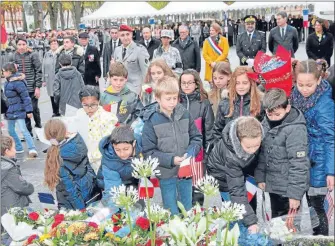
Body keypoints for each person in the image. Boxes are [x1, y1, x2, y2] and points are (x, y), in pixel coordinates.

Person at [142, 76, 202, 215]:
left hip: (185, 172)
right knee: (171, 210)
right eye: (168, 99)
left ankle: (187, 233)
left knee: (186, 208)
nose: (172, 102)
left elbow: (196, 137)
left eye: (175, 98)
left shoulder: (184, 114)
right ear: (157, 98)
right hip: (166, 173)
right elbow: (148, 152)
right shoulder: (152, 120)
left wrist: (191, 152)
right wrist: (171, 160)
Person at [291, 60, 334, 236]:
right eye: (300, 84)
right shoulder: (294, 96)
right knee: (295, 206)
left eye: (309, 85)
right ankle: (296, 238)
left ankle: (321, 239)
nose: (304, 89)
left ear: (318, 80)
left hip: (318, 163)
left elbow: (331, 138)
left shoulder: (325, 104)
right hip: (298, 159)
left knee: (316, 207)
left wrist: (331, 172)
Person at [255, 88, 310, 218]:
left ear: (287, 108)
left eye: (277, 115)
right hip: (273, 185)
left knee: (290, 229)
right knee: (277, 225)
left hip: (288, 189)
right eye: (269, 114)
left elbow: (299, 164)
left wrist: (295, 195)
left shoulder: (296, 129)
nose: (273, 118)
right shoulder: (265, 123)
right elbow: (262, 154)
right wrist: (260, 177)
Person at [207, 116, 263, 233]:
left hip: (244, 171)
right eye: (248, 147)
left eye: (256, 145)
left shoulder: (254, 134)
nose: (253, 150)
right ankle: (235, 234)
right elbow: (237, 191)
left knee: (249, 201)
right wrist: (251, 222)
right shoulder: (231, 156)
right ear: (238, 140)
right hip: (222, 175)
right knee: (235, 210)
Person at [44, 119, 98, 210]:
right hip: (90, 188)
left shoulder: (57, 155)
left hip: (74, 202)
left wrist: (81, 209)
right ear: (65, 131)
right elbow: (88, 166)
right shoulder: (78, 142)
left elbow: (70, 189)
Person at [179, 69, 214, 205]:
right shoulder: (175, 101)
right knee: (182, 188)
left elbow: (209, 130)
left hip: (198, 154)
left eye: (189, 83)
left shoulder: (203, 103)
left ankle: (196, 215)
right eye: (183, 83)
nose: (186, 86)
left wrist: (207, 153)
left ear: (196, 84)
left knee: (197, 190)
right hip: (180, 152)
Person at [212, 66, 264, 143]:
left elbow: (264, 129)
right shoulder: (225, 103)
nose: (241, 87)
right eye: (237, 83)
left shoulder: (260, 103)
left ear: (251, 83)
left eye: (245, 83)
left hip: (252, 148)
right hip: (229, 150)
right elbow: (217, 130)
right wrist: (224, 148)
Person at [76, 86, 118, 174]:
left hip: (101, 162)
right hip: (83, 161)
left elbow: (108, 143)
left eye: (93, 104)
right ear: (81, 103)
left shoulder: (106, 118)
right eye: (85, 105)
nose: (89, 108)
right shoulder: (79, 115)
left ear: (98, 102)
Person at [1, 135, 34, 245]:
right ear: (6, 151)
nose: (15, 150)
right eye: (14, 148)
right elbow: (22, 187)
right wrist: (30, 187)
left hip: (2, 207)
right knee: (15, 236)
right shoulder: (8, 169)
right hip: (11, 209)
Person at [97, 125, 142, 203]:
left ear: (134, 143)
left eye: (126, 149)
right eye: (117, 149)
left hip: (132, 182)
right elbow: (112, 190)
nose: (122, 154)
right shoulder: (109, 161)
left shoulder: (142, 146)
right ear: (112, 145)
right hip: (111, 184)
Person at [3, 62, 38, 157]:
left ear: (9, 71)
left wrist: (29, 111)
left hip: (19, 109)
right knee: (10, 130)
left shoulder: (18, 83)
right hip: (10, 110)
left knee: (23, 129)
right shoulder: (7, 82)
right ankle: (19, 147)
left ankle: (32, 148)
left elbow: (26, 97)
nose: (3, 73)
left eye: (4, 71)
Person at [10, 37, 42, 136]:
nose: (22, 47)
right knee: (24, 110)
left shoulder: (33, 55)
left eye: (23, 44)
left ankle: (39, 127)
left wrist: (37, 87)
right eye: (19, 45)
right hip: (19, 89)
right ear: (17, 45)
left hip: (31, 87)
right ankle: (29, 132)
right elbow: (10, 73)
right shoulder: (13, 56)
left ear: (26, 45)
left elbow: (38, 71)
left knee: (34, 108)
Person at [113, 24, 150, 95]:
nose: (125, 37)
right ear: (119, 36)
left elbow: (145, 72)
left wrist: (144, 90)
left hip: (136, 90)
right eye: (122, 35)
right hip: (120, 89)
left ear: (131, 35)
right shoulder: (117, 50)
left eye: (127, 34)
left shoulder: (139, 50)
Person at [42, 38, 60, 117]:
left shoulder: (60, 53)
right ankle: (54, 111)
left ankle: (60, 110)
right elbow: (43, 66)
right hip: (49, 78)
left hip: (58, 77)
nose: (53, 45)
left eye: (55, 43)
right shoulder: (47, 54)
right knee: (51, 95)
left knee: (59, 94)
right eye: (52, 44)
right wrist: (43, 79)